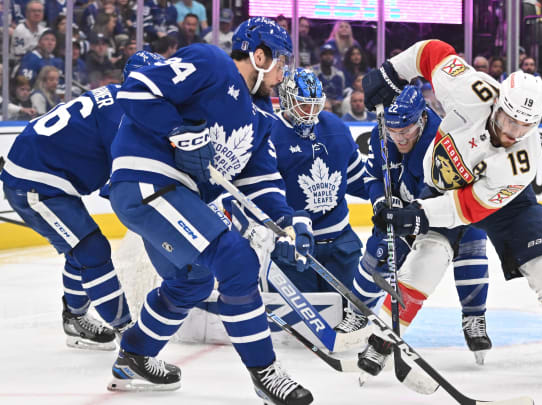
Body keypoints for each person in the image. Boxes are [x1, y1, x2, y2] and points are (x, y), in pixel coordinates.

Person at [362, 39, 542, 382]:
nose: (512, 132)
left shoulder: (522, 160)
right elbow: (431, 52)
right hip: (445, 187)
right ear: (497, 101)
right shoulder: (470, 88)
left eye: (524, 127)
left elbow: (469, 209)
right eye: (508, 120)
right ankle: (380, 340)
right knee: (424, 264)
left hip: (504, 202)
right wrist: (391, 73)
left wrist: (418, 214)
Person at [105, 17, 314, 405]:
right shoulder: (211, 62)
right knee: (236, 259)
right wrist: (177, 130)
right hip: (148, 180)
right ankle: (265, 372)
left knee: (192, 282)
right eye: (282, 62)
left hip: (175, 198)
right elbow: (137, 90)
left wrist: (291, 222)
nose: (284, 73)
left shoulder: (261, 119)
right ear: (260, 54)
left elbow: (261, 183)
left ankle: (133, 356)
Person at [0, 51, 162, 352]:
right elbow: (122, 185)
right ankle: (128, 334)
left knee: (83, 248)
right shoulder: (126, 114)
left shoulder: (117, 99)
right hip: (36, 182)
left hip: (42, 175)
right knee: (91, 248)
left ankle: (75, 319)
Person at [334, 85, 494, 369]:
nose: (399, 138)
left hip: (445, 209)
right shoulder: (382, 133)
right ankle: (358, 312)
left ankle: (474, 317)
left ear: (421, 119)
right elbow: (373, 177)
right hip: (405, 206)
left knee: (472, 242)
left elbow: (434, 195)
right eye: (393, 131)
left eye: (405, 131)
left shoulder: (442, 140)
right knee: (380, 250)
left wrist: (408, 216)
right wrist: (381, 203)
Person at [268, 68, 368, 293]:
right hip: (292, 244)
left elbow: (358, 181)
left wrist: (386, 197)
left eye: (315, 104)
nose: (310, 112)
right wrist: (284, 230)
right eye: (303, 104)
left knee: (349, 317)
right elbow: (265, 196)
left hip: (341, 245)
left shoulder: (336, 129)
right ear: (286, 99)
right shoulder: (270, 135)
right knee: (302, 324)